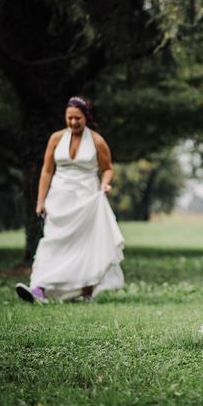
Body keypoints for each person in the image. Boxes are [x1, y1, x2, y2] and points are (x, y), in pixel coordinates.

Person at [15, 97, 124, 303]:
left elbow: (108, 168)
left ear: (86, 117)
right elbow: (47, 171)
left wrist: (105, 184)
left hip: (86, 199)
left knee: (84, 245)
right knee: (52, 241)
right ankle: (38, 288)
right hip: (59, 198)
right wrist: (40, 200)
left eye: (78, 118)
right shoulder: (56, 138)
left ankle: (85, 292)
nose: (74, 122)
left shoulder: (97, 141)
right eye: (70, 118)